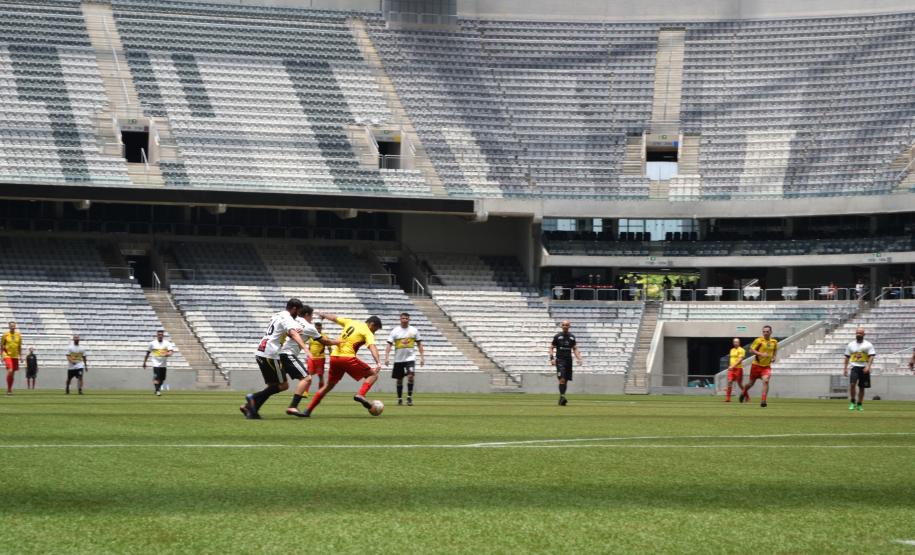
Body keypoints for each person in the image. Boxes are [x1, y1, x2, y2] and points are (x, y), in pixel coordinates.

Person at [240, 298, 318, 419]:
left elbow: (279, 331)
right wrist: (306, 349)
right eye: (297, 312)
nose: (297, 316)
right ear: (294, 309)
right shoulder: (288, 318)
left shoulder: (277, 315)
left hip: (261, 352)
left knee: (273, 386)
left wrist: (290, 332)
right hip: (271, 354)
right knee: (283, 385)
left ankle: (250, 409)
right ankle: (253, 398)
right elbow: (293, 333)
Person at [296, 312, 383, 418]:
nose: (374, 332)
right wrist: (378, 362)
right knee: (373, 375)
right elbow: (372, 347)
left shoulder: (351, 322)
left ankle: (308, 410)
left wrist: (323, 315)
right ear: (372, 324)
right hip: (347, 358)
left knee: (328, 386)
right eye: (375, 329)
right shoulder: (367, 331)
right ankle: (360, 394)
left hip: (334, 357)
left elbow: (334, 318)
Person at [285, 314, 338, 417]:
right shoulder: (310, 335)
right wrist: (307, 354)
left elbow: (328, 347)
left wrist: (331, 355)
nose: (318, 328)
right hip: (311, 358)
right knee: (308, 375)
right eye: (317, 326)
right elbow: (307, 345)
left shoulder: (323, 335)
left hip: (321, 358)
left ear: (321, 327)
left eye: (319, 326)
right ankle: (305, 393)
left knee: (320, 376)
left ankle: (320, 392)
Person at [384, 312, 424, 406]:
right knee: (399, 379)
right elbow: (389, 344)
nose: (405, 320)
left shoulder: (414, 330)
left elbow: (419, 344)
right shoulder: (395, 331)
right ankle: (400, 398)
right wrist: (386, 356)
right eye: (403, 318)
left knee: (410, 376)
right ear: (400, 319)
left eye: (406, 318)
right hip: (398, 360)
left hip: (410, 359)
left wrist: (422, 357)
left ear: (409, 319)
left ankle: (409, 397)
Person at [740, 325, 777, 407]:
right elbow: (751, 350)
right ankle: (744, 392)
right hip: (756, 366)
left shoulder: (774, 342)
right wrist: (761, 354)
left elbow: (774, 352)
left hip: (766, 367)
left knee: (766, 381)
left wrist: (774, 358)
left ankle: (763, 400)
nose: (765, 333)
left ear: (771, 332)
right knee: (750, 384)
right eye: (764, 331)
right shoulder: (758, 340)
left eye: (767, 331)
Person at [550, 320, 582, 406]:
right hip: (560, 360)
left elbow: (574, 348)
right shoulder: (557, 336)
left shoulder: (572, 337)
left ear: (569, 326)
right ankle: (562, 397)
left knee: (566, 380)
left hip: (569, 361)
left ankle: (562, 397)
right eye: (563, 325)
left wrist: (579, 358)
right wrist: (552, 358)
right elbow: (551, 347)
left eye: (567, 325)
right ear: (561, 326)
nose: (565, 326)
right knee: (562, 379)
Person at [843, 327, 876, 412]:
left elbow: (871, 356)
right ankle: (852, 402)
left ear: (864, 334)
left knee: (862, 387)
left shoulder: (868, 344)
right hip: (854, 367)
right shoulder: (850, 345)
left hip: (864, 367)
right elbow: (847, 357)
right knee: (852, 384)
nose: (858, 334)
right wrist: (845, 368)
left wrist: (868, 366)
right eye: (857, 333)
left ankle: (860, 404)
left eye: (860, 333)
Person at [143, 329, 175, 396]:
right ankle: (158, 391)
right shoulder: (152, 343)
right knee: (156, 378)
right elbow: (148, 353)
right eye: (159, 335)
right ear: (157, 335)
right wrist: (144, 362)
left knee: (162, 379)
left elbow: (171, 351)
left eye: (161, 335)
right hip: (155, 364)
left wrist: (167, 354)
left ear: (163, 335)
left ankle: (157, 389)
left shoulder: (167, 343)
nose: (160, 336)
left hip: (163, 364)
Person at [2, 321, 22, 395]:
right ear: (9, 327)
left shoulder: (18, 335)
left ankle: (9, 390)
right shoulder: (5, 335)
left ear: (15, 326)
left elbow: (19, 346)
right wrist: (1, 356)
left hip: (15, 356)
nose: (13, 327)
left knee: (13, 373)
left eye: (14, 326)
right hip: (7, 355)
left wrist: (20, 356)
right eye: (11, 326)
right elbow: (1, 346)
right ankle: (9, 390)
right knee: (10, 370)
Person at [724, 338, 745, 403]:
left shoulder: (742, 350)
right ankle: (728, 399)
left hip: (738, 368)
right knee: (729, 382)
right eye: (734, 342)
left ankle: (746, 395)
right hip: (731, 369)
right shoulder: (731, 350)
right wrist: (730, 366)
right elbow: (730, 359)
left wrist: (733, 366)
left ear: (739, 343)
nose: (735, 343)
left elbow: (740, 360)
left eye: (737, 342)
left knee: (740, 384)